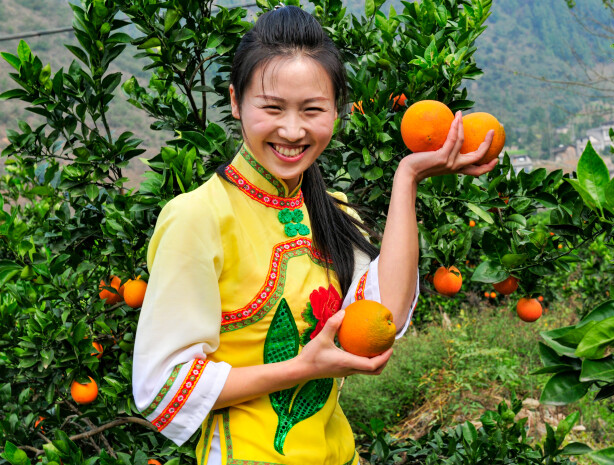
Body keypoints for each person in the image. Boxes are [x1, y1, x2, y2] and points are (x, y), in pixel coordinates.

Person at [132, 5, 497, 465]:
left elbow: (386, 313)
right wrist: (303, 368)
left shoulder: (331, 211)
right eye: (271, 108)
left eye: (312, 110)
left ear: (337, 111)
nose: (292, 130)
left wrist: (408, 178)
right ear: (234, 102)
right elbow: (163, 388)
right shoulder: (197, 217)